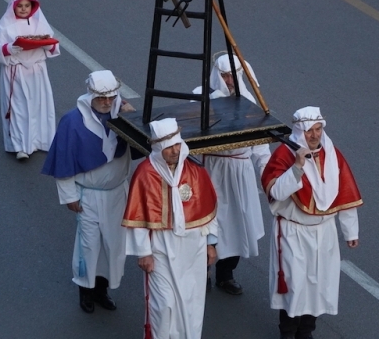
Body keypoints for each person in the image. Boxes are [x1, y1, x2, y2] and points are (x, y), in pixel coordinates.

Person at [261, 107, 363, 339]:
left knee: (319, 286)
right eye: (309, 131)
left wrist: (350, 231)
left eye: (318, 129)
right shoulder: (284, 155)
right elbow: (276, 191)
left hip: (324, 232)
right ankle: (287, 333)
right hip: (293, 232)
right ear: (299, 131)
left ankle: (306, 332)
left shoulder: (332, 154)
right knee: (295, 287)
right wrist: (297, 166)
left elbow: (344, 194)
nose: (314, 135)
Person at [41, 70, 136, 313]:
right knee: (89, 245)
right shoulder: (72, 121)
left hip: (117, 193)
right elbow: (63, 161)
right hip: (89, 195)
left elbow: (144, 146)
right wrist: (70, 195)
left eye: (111, 97)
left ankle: (102, 290)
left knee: (113, 245)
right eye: (100, 98)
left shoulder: (123, 116)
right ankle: (85, 291)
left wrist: (135, 121)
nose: (106, 102)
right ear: (90, 95)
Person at [123, 118, 218, 339]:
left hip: (193, 250)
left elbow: (208, 211)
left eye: (177, 145)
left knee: (192, 303)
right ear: (158, 147)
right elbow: (138, 218)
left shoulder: (195, 170)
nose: (175, 151)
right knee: (163, 305)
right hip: (161, 251)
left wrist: (211, 244)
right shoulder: (145, 174)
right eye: (169, 147)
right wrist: (143, 252)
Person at [193, 53, 270, 295]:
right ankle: (201, 273)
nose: (229, 81)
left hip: (240, 170)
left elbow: (261, 147)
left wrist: (270, 179)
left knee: (237, 223)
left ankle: (226, 274)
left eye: (233, 75)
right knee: (206, 224)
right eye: (225, 75)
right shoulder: (202, 98)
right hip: (212, 169)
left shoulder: (252, 101)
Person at [0, 0, 60, 160]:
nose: (23, 9)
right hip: (16, 71)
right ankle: (20, 145)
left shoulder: (39, 24)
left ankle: (41, 141)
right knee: (18, 109)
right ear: (13, 6)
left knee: (39, 105)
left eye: (26, 6)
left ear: (33, 7)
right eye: (20, 6)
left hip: (37, 71)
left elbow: (54, 45)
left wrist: (47, 44)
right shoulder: (5, 25)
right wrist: (9, 48)